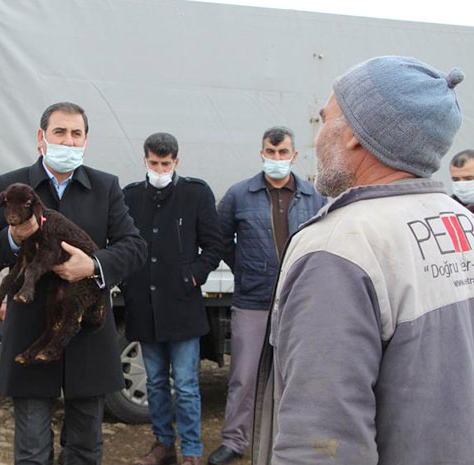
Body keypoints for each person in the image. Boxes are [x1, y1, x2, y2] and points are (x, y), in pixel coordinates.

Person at [253, 56, 473, 465]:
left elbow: (320, 445)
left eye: (325, 118)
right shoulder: (460, 220)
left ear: (354, 134)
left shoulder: (340, 246)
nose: (317, 137)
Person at [0, 101, 147, 465]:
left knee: (85, 447)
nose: (68, 142)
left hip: (85, 330)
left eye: (76, 134)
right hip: (30, 331)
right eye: (59, 132)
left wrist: (94, 264)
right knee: (33, 450)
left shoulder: (105, 187)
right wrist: (14, 237)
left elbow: (134, 247)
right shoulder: (11, 185)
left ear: (85, 141)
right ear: (41, 138)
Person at [208, 126, 325, 465]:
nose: (276, 160)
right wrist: (245, 268)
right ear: (261, 154)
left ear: (294, 155)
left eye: (283, 153)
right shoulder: (238, 195)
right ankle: (234, 440)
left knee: (296, 374)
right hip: (252, 300)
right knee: (243, 375)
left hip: (299, 301)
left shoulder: (314, 196)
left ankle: (289, 441)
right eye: (270, 154)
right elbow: (220, 240)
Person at [120, 132, 223, 465]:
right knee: (156, 382)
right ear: (145, 160)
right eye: (154, 163)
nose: (160, 169)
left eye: (166, 163)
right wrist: (126, 281)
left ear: (176, 161)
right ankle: (163, 444)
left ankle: (192, 450)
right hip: (144, 307)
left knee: (188, 384)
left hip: (182, 305)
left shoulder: (196, 193)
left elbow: (214, 245)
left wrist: (193, 274)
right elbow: (120, 243)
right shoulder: (130, 196)